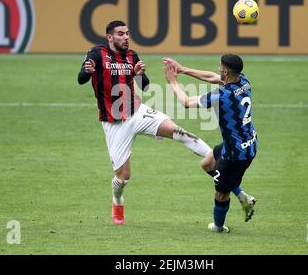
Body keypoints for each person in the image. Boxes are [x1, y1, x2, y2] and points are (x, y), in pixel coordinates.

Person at [77, 20, 212, 225]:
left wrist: (139, 75)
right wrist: (87, 71)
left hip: (137, 112)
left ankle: (216, 161)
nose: (126, 37)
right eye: (121, 34)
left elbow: (145, 86)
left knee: (179, 132)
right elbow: (81, 79)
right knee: (123, 178)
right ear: (110, 37)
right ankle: (117, 199)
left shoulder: (132, 56)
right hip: (114, 123)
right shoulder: (96, 54)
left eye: (127, 33)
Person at [163, 55, 257, 233]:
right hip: (243, 142)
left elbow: (186, 102)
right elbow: (213, 78)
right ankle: (244, 197)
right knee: (207, 164)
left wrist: (173, 81)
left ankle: (218, 227)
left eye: (220, 67)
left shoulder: (221, 96)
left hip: (236, 154)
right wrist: (183, 69)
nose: (218, 69)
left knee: (221, 193)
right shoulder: (243, 81)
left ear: (226, 71)